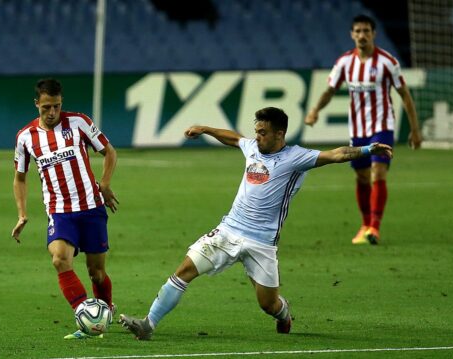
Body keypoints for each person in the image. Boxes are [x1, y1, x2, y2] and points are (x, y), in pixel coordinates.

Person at [119, 107, 393, 340]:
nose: (257, 137)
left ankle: (283, 314)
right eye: (257, 131)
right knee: (185, 269)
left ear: (279, 134)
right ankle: (148, 324)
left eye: (263, 132)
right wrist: (205, 129)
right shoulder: (252, 147)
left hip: (262, 242)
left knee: (268, 303)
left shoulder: (297, 158)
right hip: (228, 230)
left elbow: (337, 154)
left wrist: (368, 149)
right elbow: (235, 139)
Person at [11, 78, 119, 339]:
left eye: (57, 106)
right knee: (60, 258)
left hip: (92, 207)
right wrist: (22, 213)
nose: (52, 113)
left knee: (97, 273)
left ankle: (104, 312)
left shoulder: (79, 122)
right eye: (46, 107)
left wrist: (104, 184)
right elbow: (20, 178)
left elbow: (110, 152)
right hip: (59, 211)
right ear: (37, 103)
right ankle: (85, 316)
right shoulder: (25, 138)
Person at [304, 14, 422, 245]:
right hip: (357, 128)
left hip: (383, 124)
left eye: (366, 31)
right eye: (357, 31)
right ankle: (365, 224)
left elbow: (405, 96)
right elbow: (330, 90)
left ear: (373, 34)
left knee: (378, 171)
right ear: (352, 34)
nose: (361, 35)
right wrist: (315, 110)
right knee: (362, 176)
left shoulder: (388, 62)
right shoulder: (345, 63)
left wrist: (415, 129)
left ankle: (374, 228)